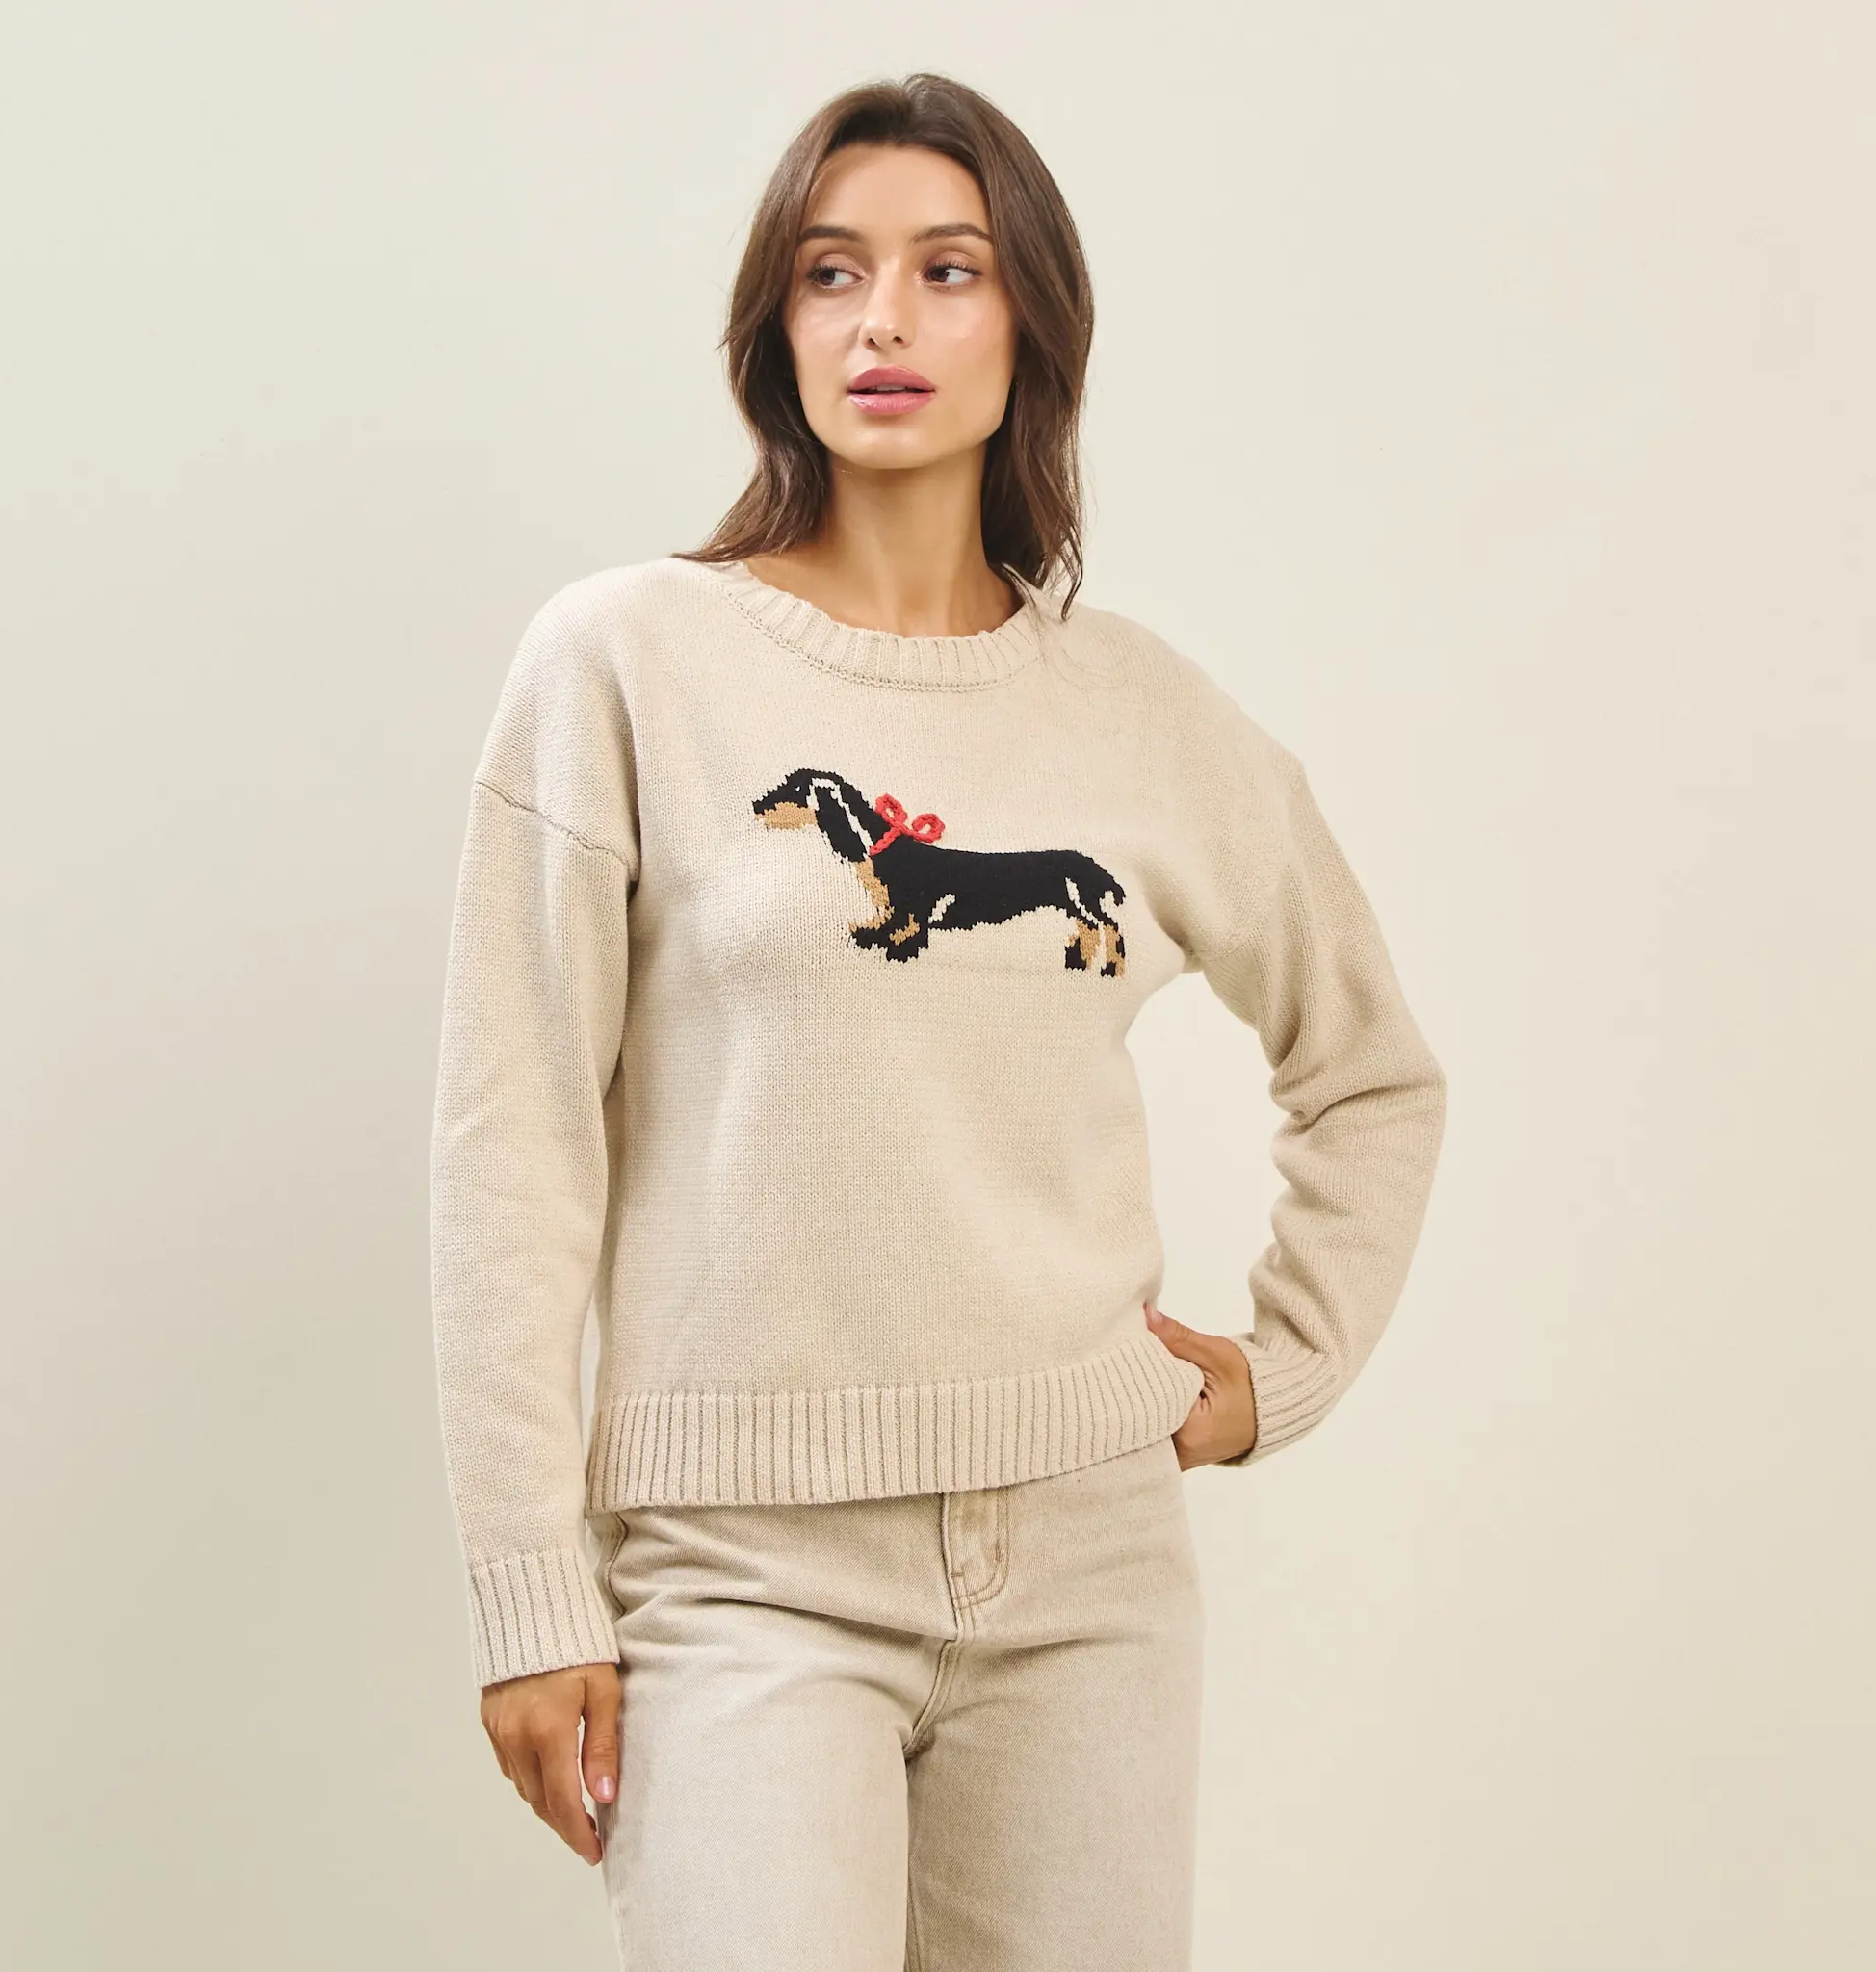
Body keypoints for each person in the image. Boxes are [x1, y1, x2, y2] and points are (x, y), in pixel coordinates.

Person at [429, 70, 1447, 1972]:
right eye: (831, 272)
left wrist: (1277, 1370)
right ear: (775, 325)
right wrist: (529, 1589)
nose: (880, 318)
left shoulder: (1146, 716)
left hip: (1087, 1576)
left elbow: (1373, 1073)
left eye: (946, 268)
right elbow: (516, 1143)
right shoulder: (625, 662)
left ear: (1030, 320)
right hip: (742, 1577)